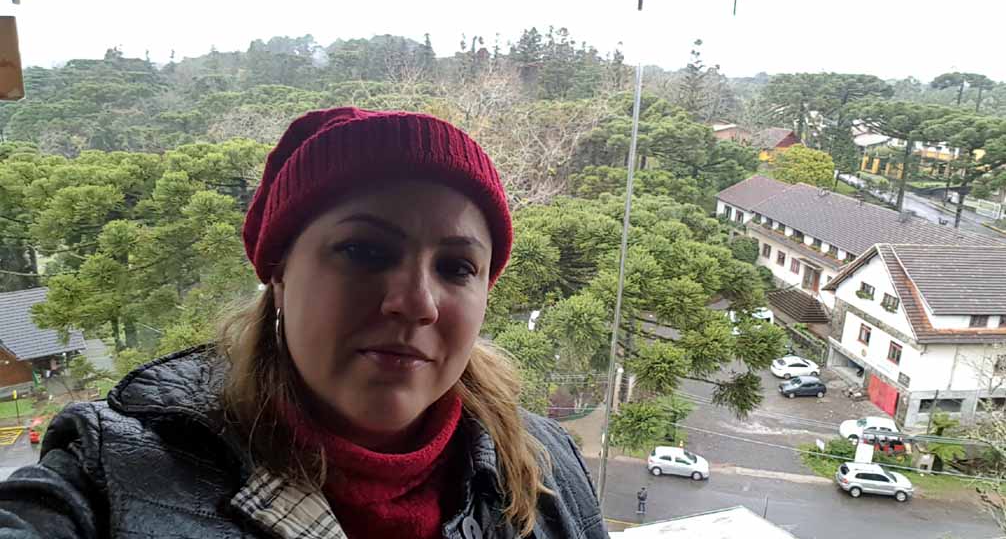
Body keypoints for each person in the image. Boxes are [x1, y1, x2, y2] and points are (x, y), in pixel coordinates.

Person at [0, 107, 609, 539]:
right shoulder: (112, 472)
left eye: (456, 267)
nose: (416, 303)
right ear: (280, 272)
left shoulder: (544, 462)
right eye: (364, 251)